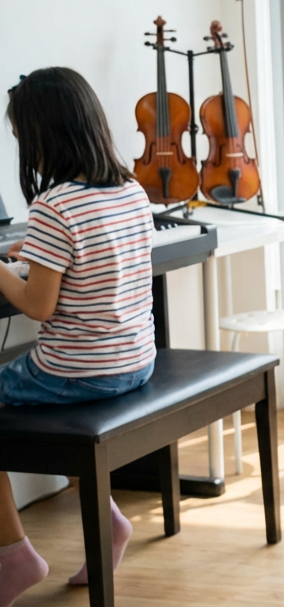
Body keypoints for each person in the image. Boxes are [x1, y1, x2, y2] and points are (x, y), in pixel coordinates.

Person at [0, 68, 157, 607]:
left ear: (46, 136)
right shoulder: (130, 190)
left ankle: (15, 555)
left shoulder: (53, 206)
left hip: (80, 373)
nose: (23, 148)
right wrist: (32, 258)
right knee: (52, 413)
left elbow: (38, 307)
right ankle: (108, 522)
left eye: (22, 137)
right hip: (135, 361)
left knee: (32, 387)